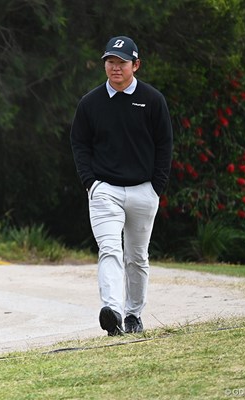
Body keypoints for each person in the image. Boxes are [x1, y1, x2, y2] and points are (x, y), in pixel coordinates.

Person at [69, 36, 173, 336]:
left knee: (137, 257)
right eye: (110, 62)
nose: (115, 67)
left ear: (135, 65)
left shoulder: (153, 100)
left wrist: (157, 186)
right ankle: (112, 311)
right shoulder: (90, 103)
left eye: (121, 62)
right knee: (109, 250)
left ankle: (133, 315)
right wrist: (91, 183)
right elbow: (79, 143)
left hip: (144, 190)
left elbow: (164, 145)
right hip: (105, 191)